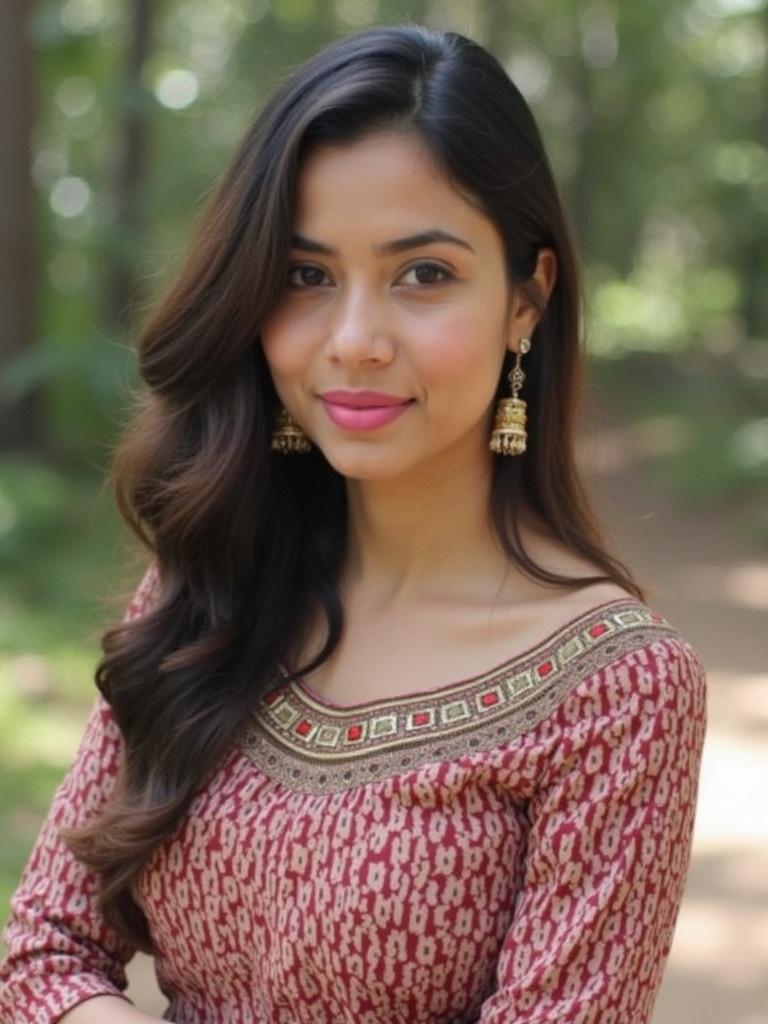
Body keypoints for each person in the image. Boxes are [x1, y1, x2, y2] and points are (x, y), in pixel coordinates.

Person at [0, 22, 707, 1024]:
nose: (355, 341)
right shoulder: (213, 587)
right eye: (306, 275)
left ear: (525, 299)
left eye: (424, 274)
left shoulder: (616, 693)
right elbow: (41, 954)